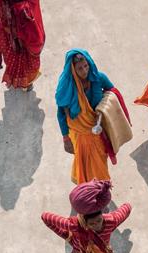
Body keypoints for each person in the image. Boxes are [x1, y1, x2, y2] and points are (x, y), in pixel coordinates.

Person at [55, 49, 130, 184]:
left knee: (99, 159)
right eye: (80, 68)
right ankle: (88, 188)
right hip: (78, 132)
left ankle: (100, 186)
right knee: (82, 160)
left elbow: (113, 93)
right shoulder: (66, 87)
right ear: (72, 69)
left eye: (86, 66)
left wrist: (102, 109)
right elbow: (61, 113)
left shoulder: (98, 78)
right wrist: (66, 138)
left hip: (98, 128)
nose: (84, 71)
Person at [0, 0, 45, 91]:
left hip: (21, 30)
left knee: (24, 59)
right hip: (11, 33)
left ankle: (24, 82)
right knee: (16, 59)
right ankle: (23, 83)